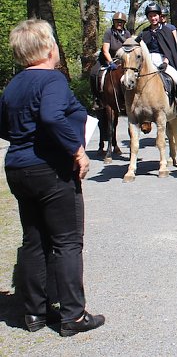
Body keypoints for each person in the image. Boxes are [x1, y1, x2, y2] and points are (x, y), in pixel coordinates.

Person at [0, 19, 105, 336]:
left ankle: (34, 313)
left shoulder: (13, 85)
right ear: (48, 48)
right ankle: (73, 315)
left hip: (18, 168)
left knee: (33, 240)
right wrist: (76, 151)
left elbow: (3, 125)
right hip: (50, 170)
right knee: (67, 242)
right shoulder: (52, 80)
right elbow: (50, 116)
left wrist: (25, 139)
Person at [135, 3, 177, 116]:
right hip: (147, 61)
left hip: (163, 60)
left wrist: (166, 62)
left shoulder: (167, 31)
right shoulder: (144, 33)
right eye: (150, 16)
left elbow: (171, 50)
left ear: (159, 16)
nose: (153, 18)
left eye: (155, 15)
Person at [89, 11, 131, 110]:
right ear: (114, 22)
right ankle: (97, 98)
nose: (119, 23)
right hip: (107, 58)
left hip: (122, 60)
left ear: (124, 23)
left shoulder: (127, 34)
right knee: (94, 73)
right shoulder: (109, 32)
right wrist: (111, 62)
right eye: (117, 21)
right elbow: (105, 50)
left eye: (121, 22)